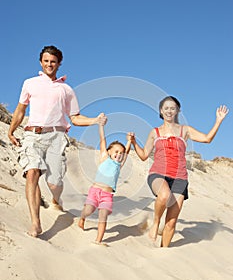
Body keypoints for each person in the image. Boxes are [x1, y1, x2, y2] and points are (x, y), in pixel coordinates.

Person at [8, 45, 107, 237]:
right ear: (40, 62)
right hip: (32, 135)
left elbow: (75, 118)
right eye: (46, 61)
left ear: (59, 64)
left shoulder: (66, 90)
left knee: (54, 183)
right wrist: (11, 130)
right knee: (32, 173)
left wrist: (95, 120)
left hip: (57, 137)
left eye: (53, 61)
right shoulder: (30, 83)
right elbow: (20, 110)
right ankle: (35, 223)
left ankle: (55, 199)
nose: (49, 64)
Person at [129, 96, 229, 247]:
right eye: (166, 108)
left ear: (177, 111)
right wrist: (134, 142)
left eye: (173, 108)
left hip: (179, 177)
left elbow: (207, 139)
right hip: (158, 173)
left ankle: (163, 252)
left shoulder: (185, 130)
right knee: (164, 195)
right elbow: (143, 155)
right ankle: (156, 223)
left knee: (171, 222)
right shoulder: (155, 132)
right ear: (161, 111)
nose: (169, 111)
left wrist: (218, 120)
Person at [78, 123, 132, 245]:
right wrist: (101, 126)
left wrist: (129, 141)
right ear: (108, 151)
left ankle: (98, 240)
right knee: (89, 210)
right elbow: (103, 140)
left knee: (103, 216)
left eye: (121, 153)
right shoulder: (104, 158)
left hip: (107, 195)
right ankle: (82, 217)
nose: (119, 154)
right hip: (95, 191)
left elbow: (127, 152)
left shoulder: (119, 165)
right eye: (116, 151)